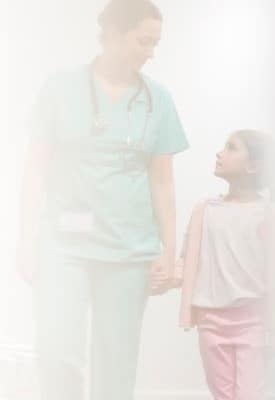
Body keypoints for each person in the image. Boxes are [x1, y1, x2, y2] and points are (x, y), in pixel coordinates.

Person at [16, 1, 188, 398]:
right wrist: (26, 240)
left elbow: (162, 181)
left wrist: (169, 249)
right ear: (112, 33)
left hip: (129, 250)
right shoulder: (60, 87)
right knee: (57, 353)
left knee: (117, 362)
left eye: (156, 43)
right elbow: (36, 169)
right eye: (144, 41)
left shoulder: (157, 99)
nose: (151, 52)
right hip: (64, 246)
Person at [172, 130, 275, 400]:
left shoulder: (270, 215)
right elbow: (186, 261)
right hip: (211, 321)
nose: (220, 153)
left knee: (248, 394)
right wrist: (160, 274)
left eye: (231, 148)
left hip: (253, 321)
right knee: (221, 394)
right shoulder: (204, 210)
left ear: (253, 165)